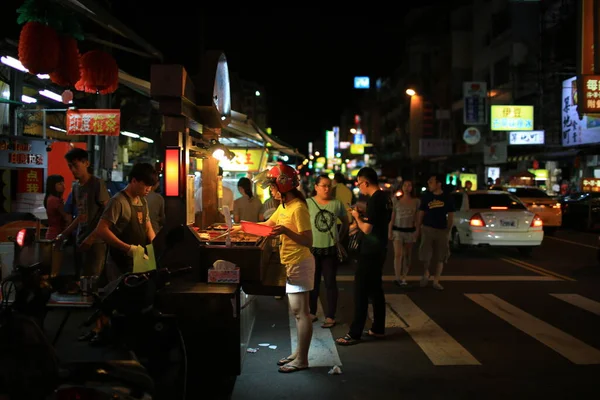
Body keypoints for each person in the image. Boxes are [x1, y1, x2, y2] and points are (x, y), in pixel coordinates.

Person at [260, 163, 314, 373]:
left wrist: (285, 231)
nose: (271, 191)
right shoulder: (284, 206)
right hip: (291, 263)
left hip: (300, 263)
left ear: (283, 186)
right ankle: (298, 353)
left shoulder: (298, 208)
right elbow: (267, 225)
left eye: (273, 187)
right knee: (296, 312)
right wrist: (237, 226)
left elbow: (308, 240)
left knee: (302, 313)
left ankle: (302, 360)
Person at [336, 167, 392, 346]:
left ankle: (355, 333)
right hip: (380, 248)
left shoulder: (375, 200)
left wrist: (356, 218)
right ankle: (378, 328)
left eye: (359, 183)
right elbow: (378, 223)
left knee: (360, 291)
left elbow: (368, 228)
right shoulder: (386, 198)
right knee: (376, 290)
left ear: (366, 182)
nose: (358, 186)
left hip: (370, 251)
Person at [94, 163, 158, 281]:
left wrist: (156, 247)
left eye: (150, 185)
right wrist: (128, 249)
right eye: (146, 185)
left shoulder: (142, 201)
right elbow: (101, 229)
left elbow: (148, 227)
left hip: (139, 259)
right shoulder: (118, 201)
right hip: (120, 261)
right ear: (134, 181)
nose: (149, 189)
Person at [56, 148, 110, 280]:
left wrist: (91, 237)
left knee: (93, 279)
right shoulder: (76, 187)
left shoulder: (97, 183)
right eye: (70, 166)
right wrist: (64, 234)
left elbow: (107, 213)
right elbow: (80, 216)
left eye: (75, 165)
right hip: (81, 239)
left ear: (86, 163)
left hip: (96, 241)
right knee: (83, 278)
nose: (73, 170)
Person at [307, 174, 348, 328]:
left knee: (330, 282)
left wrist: (340, 237)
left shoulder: (337, 204)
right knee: (313, 283)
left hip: (330, 249)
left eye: (329, 185)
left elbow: (345, 222)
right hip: (312, 248)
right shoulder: (308, 203)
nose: (326, 188)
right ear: (316, 187)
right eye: (323, 185)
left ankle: (330, 315)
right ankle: (312, 312)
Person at [416, 174, 455, 291]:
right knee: (425, 255)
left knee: (441, 256)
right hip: (427, 228)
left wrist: (448, 230)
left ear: (438, 184)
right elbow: (421, 213)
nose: (429, 184)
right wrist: (418, 227)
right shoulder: (426, 197)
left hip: (442, 230)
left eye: (431, 182)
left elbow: (451, 216)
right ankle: (426, 272)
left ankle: (436, 280)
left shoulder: (447, 198)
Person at [388, 179, 420, 287]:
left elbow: (417, 218)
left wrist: (417, 231)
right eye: (405, 185)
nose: (407, 187)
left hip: (409, 231)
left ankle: (404, 276)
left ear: (412, 188)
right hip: (397, 230)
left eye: (409, 185)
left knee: (407, 255)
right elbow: (392, 217)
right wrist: (390, 230)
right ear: (401, 187)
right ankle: (397, 277)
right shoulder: (396, 200)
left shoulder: (416, 201)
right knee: (398, 254)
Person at [43, 174, 71, 240]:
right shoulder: (55, 200)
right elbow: (67, 218)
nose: (63, 186)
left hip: (52, 234)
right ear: (52, 186)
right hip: (57, 235)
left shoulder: (50, 198)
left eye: (63, 183)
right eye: (60, 184)